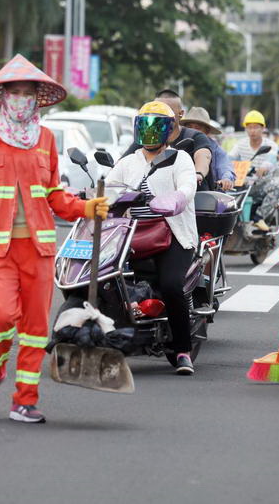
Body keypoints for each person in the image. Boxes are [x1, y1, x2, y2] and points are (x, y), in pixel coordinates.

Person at [0, 55, 108, 423]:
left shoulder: (45, 139)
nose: (21, 99)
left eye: (28, 93)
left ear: (37, 98)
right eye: (14, 92)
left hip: (38, 249)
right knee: (0, 317)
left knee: (33, 331)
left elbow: (54, 196)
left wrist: (86, 208)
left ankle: (24, 400)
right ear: (1, 96)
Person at [107, 101, 198, 374]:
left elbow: (188, 186)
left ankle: (182, 350)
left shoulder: (179, 159)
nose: (149, 132)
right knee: (105, 282)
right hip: (131, 237)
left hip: (172, 235)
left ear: (169, 130)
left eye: (156, 126)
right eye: (144, 125)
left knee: (171, 286)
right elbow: (109, 188)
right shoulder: (128, 162)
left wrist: (177, 198)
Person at [122, 89, 214, 191]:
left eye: (167, 111)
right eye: (157, 112)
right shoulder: (147, 140)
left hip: (193, 198)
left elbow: (204, 156)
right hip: (152, 199)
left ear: (180, 113)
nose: (162, 115)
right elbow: (123, 163)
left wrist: (198, 174)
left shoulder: (195, 138)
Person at [231, 110, 279, 232]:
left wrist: (264, 167)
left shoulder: (271, 145)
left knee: (278, 185)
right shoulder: (240, 144)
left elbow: (271, 159)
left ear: (263, 128)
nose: (252, 131)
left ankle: (259, 217)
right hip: (242, 184)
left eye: (256, 127)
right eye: (249, 127)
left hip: (262, 184)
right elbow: (230, 158)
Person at [179, 106, 236, 190]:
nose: (193, 131)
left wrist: (226, 179)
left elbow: (225, 167)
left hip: (208, 196)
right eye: (189, 127)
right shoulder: (178, 146)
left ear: (207, 131)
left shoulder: (217, 150)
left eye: (197, 128)